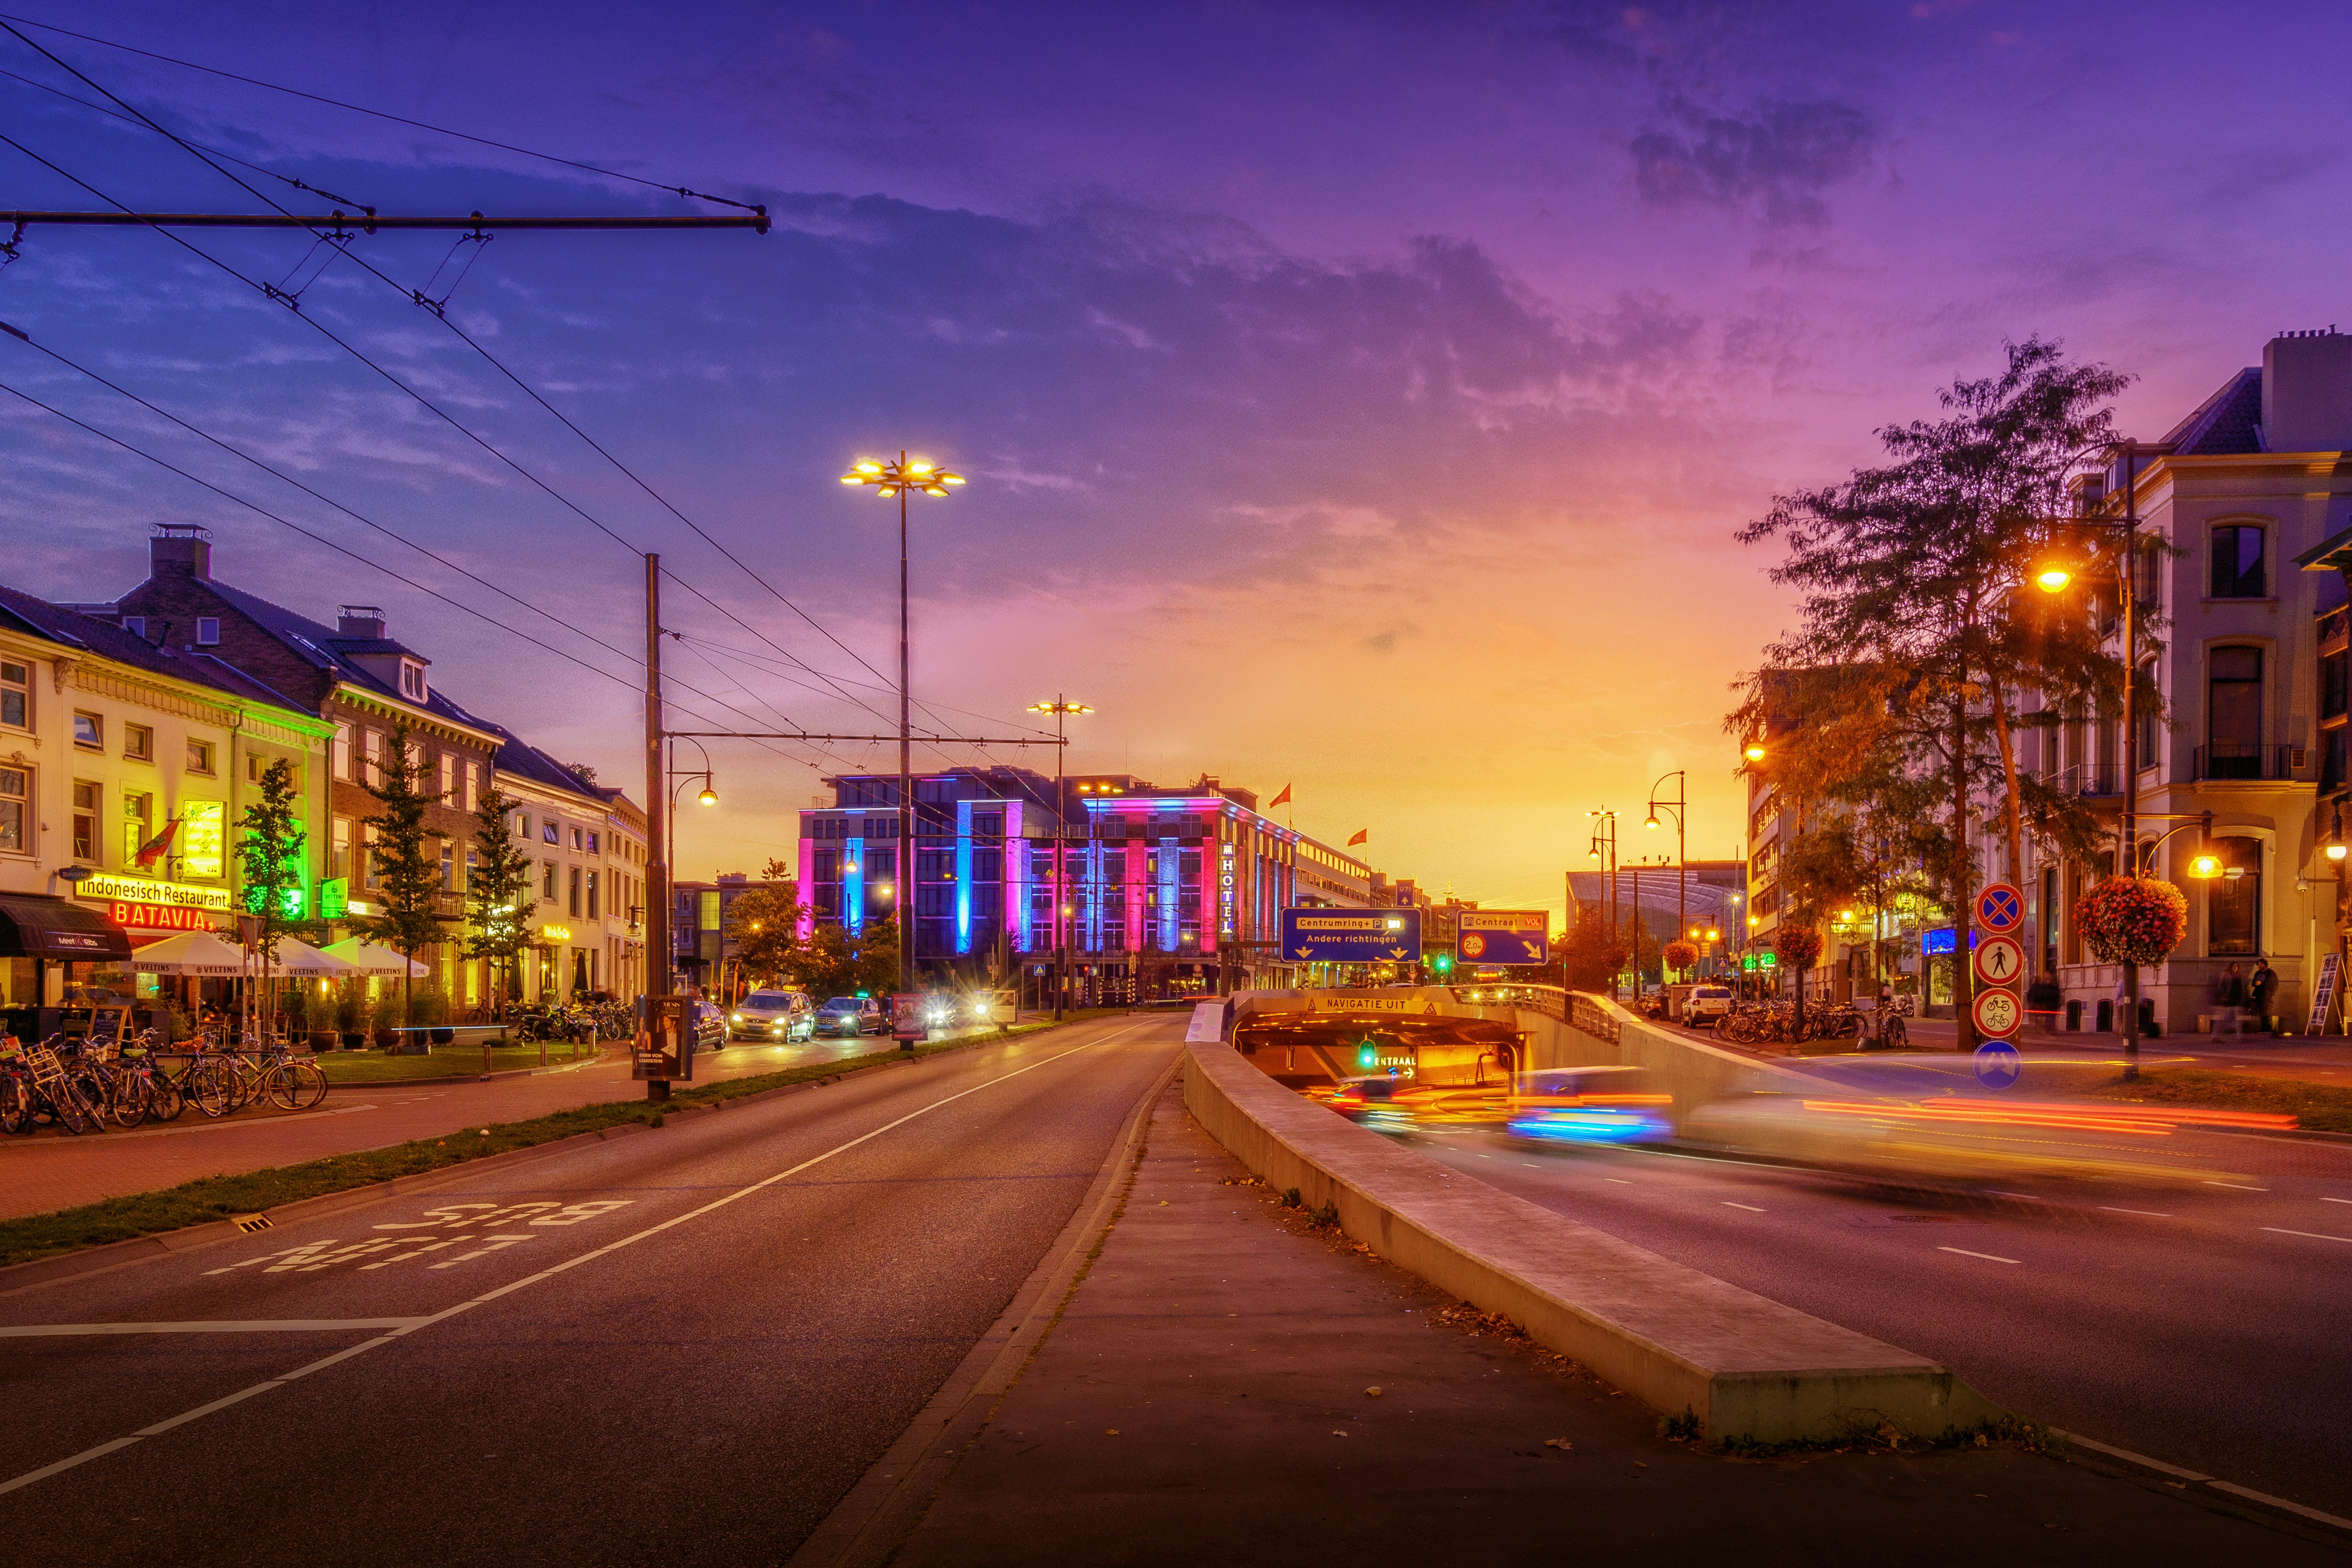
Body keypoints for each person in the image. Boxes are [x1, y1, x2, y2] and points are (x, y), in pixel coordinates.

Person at [2248, 958, 2280, 1036]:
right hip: (2259, 994)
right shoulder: (2258, 973)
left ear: (2265, 964)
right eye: (2258, 964)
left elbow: (2275, 984)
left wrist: (2272, 994)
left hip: (2267, 995)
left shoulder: (2270, 973)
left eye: (2261, 964)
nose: (2260, 966)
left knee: (2266, 1011)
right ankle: (2264, 1028)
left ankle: (2268, 1028)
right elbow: (2253, 984)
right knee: (2261, 1011)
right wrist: (2256, 983)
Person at [2026, 970, 2063, 1034]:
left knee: (2051, 1017)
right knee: (2049, 1017)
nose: (2048, 976)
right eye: (2046, 975)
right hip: (2046, 1003)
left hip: (2051, 1003)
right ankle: (2049, 1029)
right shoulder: (2043, 985)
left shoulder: (2054, 985)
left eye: (2048, 975)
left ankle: (2049, 1029)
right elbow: (2041, 994)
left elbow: (2057, 994)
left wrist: (2059, 1002)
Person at [2214, 962, 2246, 1036]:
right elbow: (2221, 986)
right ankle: (2218, 1034)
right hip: (2229, 999)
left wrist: (2242, 998)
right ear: (2230, 967)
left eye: (2237, 966)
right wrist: (2224, 995)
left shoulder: (2239, 976)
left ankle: (2239, 1035)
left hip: (2237, 999)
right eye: (2234, 966)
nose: (2235, 968)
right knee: (2227, 1017)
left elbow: (2242, 988)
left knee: (2237, 1018)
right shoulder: (2225, 974)